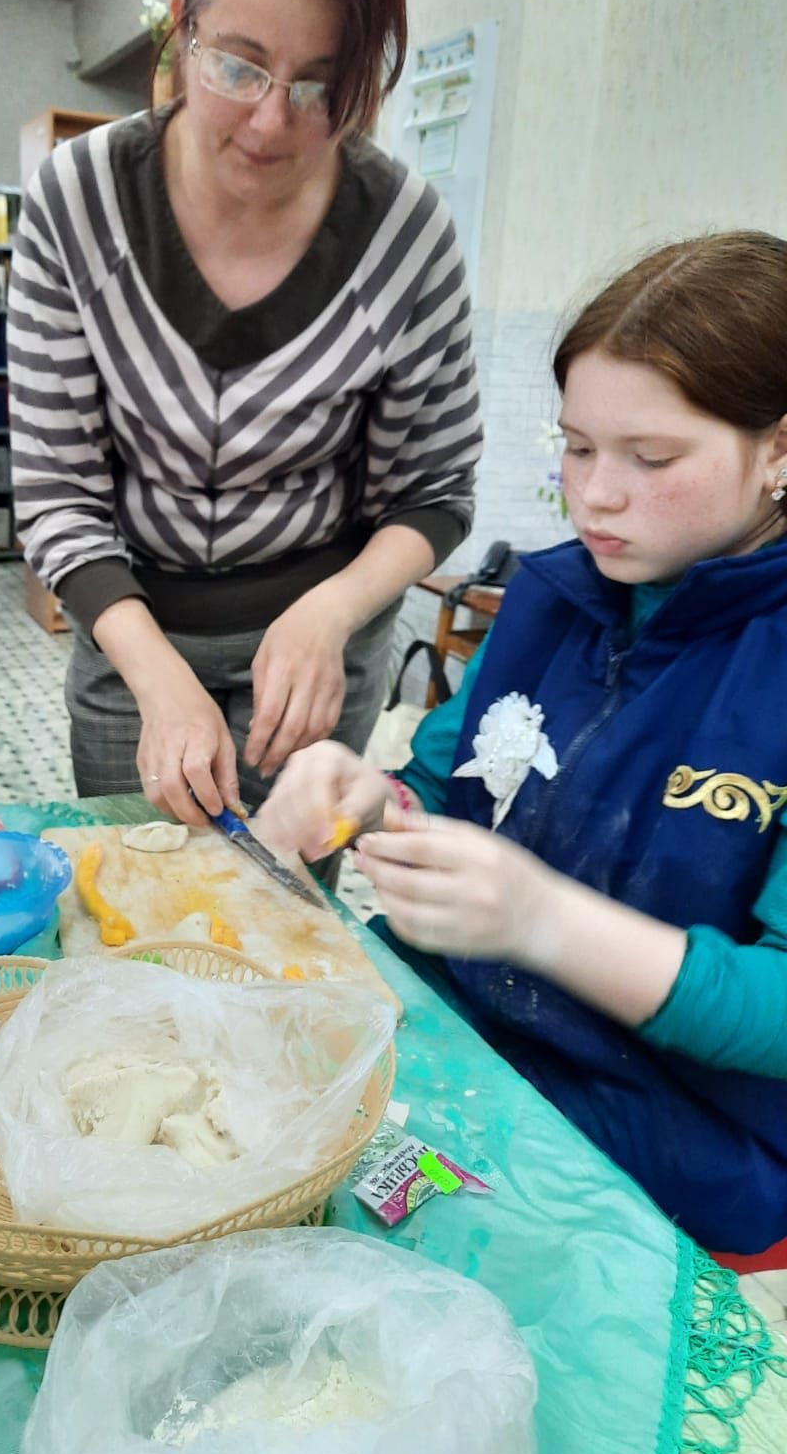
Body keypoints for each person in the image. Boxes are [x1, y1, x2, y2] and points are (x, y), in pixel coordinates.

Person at [256, 231, 787, 1254]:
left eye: (652, 457)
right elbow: (442, 789)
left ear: (778, 450)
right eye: (577, 446)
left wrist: (543, 921)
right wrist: (365, 799)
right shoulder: (551, 598)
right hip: (460, 1048)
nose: (593, 493)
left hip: (674, 1138)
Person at [8, 0, 481, 831]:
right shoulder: (79, 198)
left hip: (317, 651)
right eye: (239, 64)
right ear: (182, 29)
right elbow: (58, 491)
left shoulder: (404, 231)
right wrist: (154, 674)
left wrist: (330, 612)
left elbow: (432, 492)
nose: (272, 121)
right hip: (132, 629)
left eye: (319, 85)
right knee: (140, 917)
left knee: (290, 935)